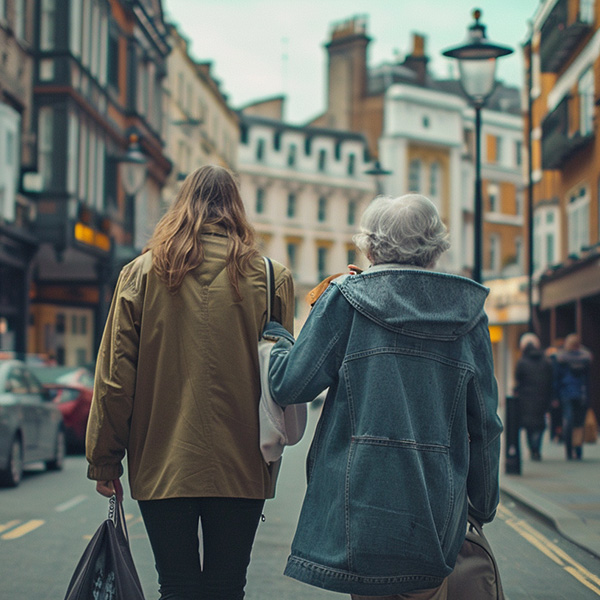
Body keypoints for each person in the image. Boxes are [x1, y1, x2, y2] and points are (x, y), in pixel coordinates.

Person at [266, 194, 502, 599]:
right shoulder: (468, 314)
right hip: (435, 513)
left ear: (371, 245)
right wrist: (481, 505)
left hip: (362, 512)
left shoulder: (346, 299)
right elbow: (484, 424)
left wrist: (279, 339)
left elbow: (290, 385)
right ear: (436, 247)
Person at [86, 165, 294, 600]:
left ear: (182, 205)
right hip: (243, 462)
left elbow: (114, 378)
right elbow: (282, 377)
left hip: (164, 461)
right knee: (226, 588)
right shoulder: (272, 277)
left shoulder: (140, 275)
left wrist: (105, 460)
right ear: (236, 208)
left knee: (176, 586)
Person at [514, 333, 553, 460]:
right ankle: (537, 447)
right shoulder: (546, 360)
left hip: (526, 397)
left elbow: (518, 378)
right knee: (540, 423)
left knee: (529, 424)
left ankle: (532, 448)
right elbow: (550, 379)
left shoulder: (522, 361)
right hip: (543, 395)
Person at [554, 333, 593, 460]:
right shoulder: (585, 359)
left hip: (566, 392)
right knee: (579, 422)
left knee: (568, 419)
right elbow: (587, 379)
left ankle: (569, 449)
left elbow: (557, 378)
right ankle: (578, 448)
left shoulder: (561, 359)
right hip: (581, 393)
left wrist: (555, 395)